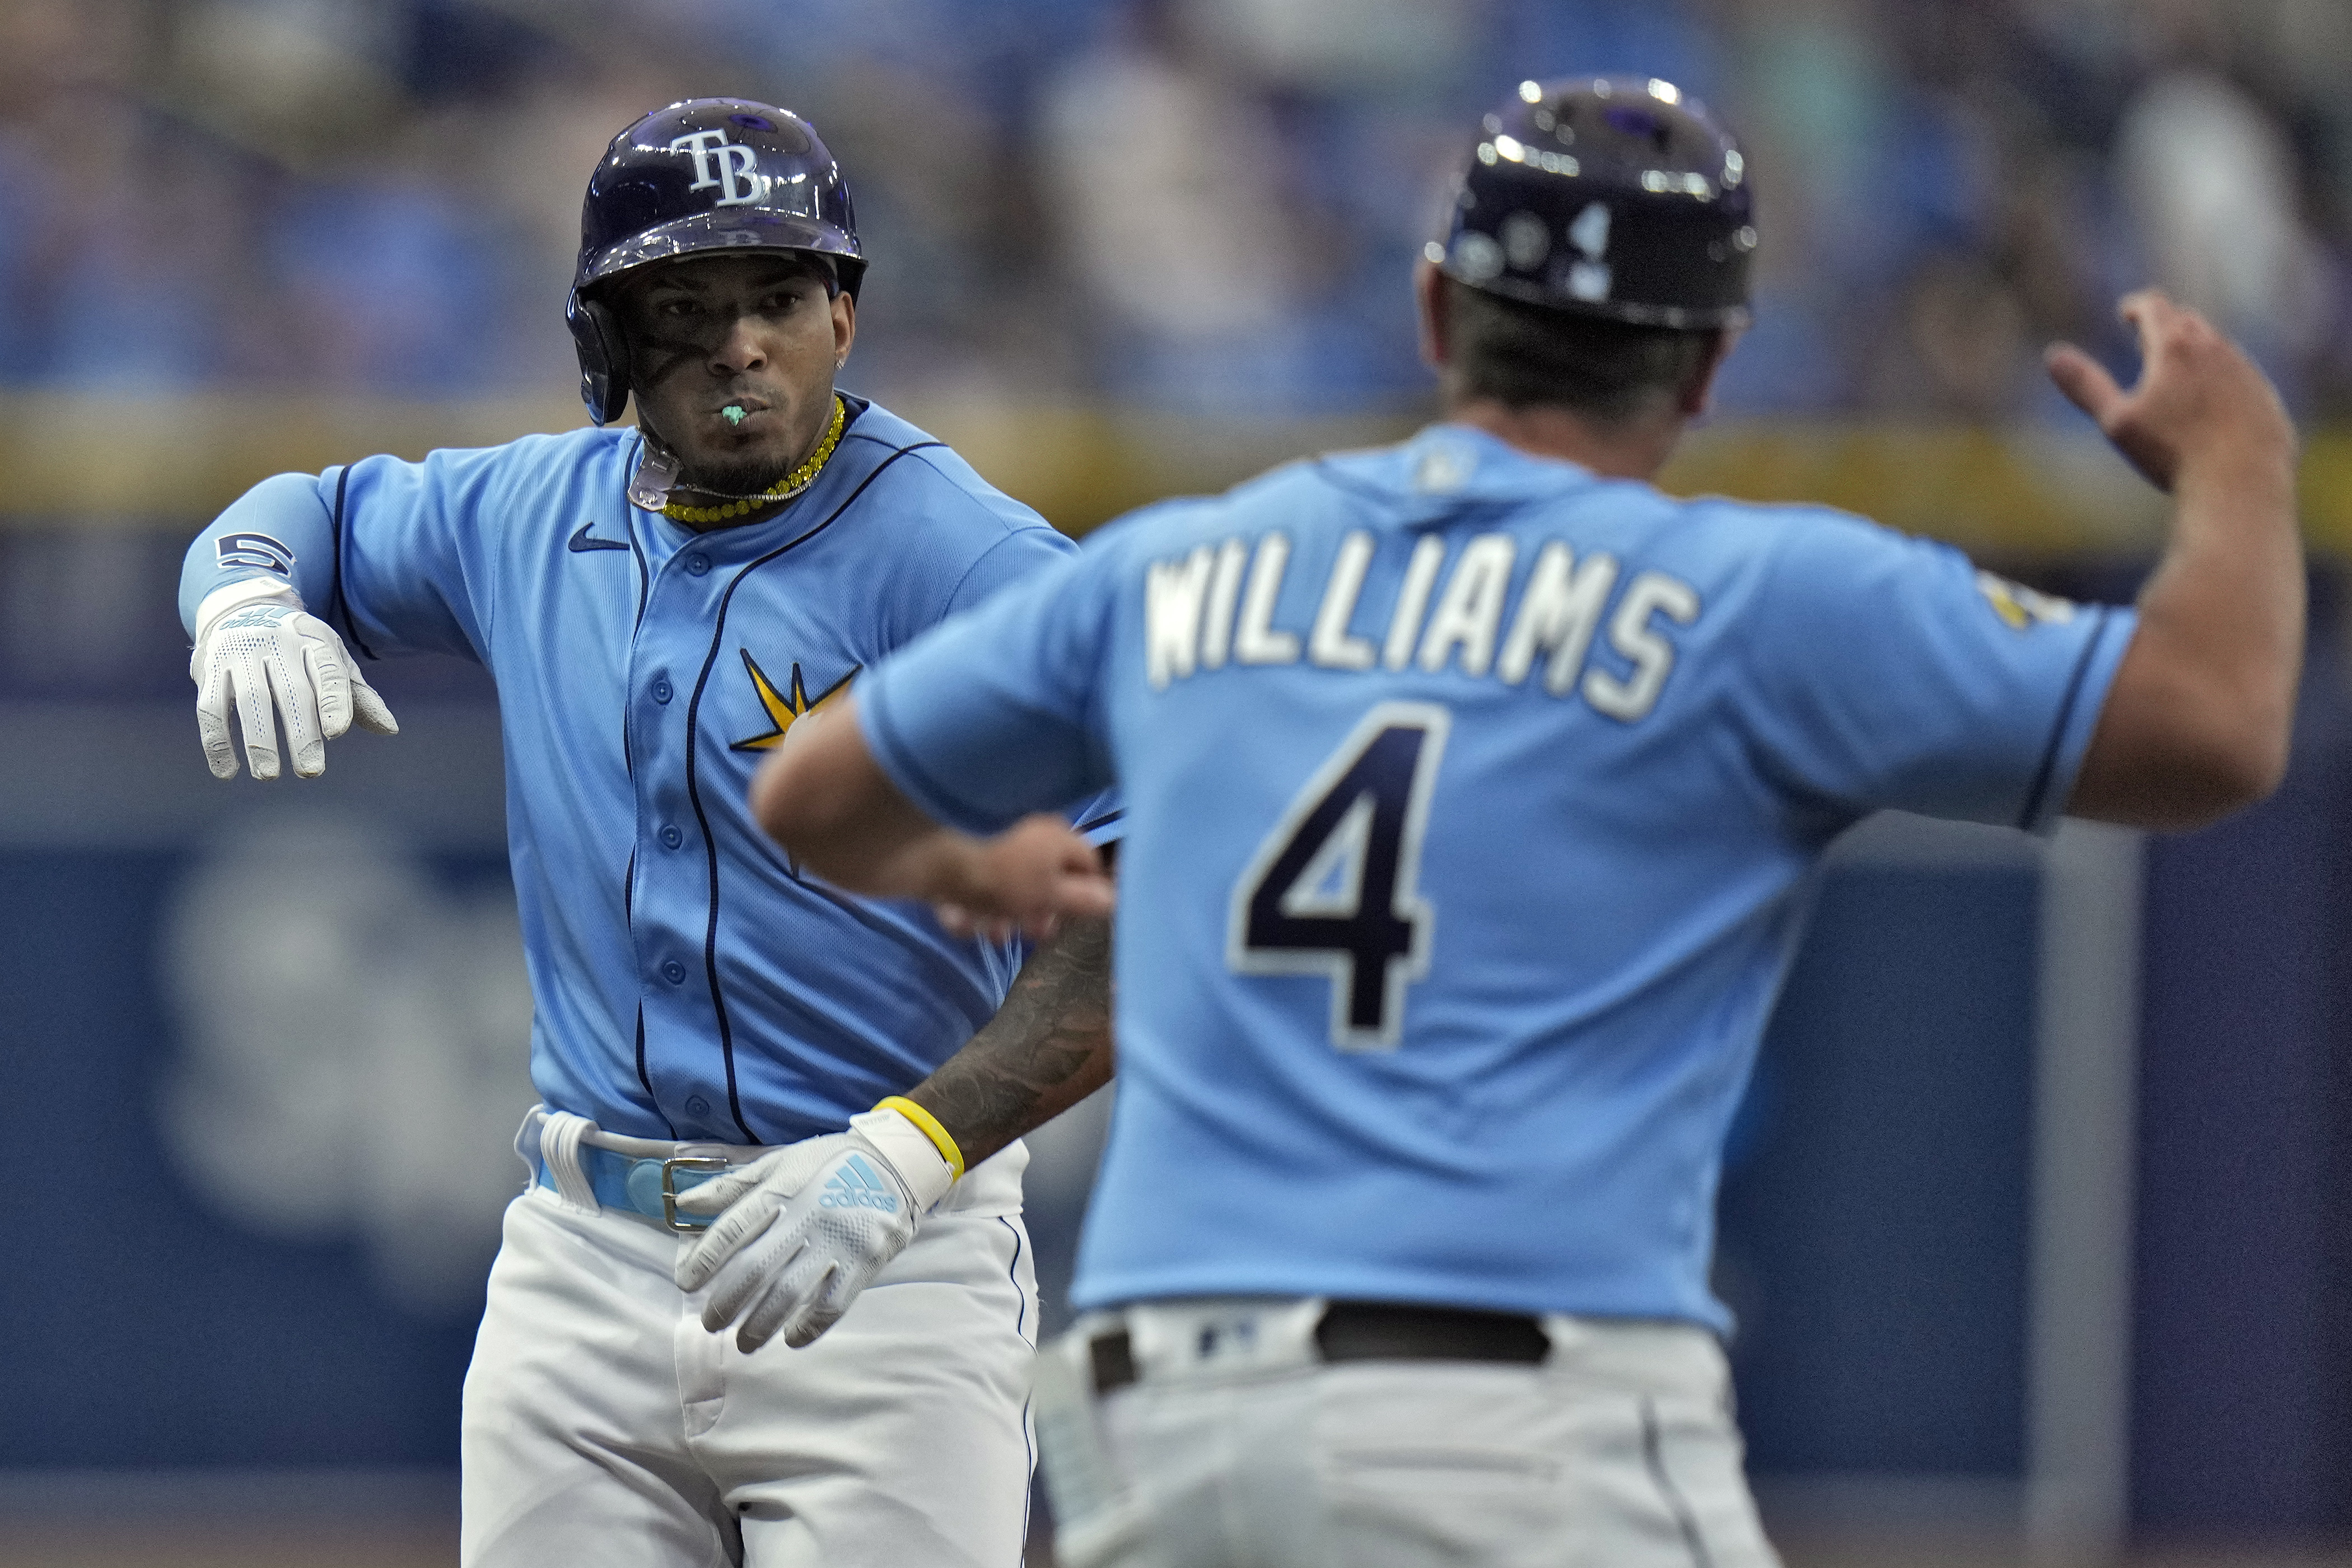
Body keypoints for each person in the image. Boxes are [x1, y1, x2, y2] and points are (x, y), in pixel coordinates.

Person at [743, 77, 2303, 1568]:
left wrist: (972, 863)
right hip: (1511, 1410)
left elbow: (810, 795)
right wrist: (2241, 461)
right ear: (1708, 364)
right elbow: (2216, 726)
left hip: (1160, 1421)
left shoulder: (1180, 566)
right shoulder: (1761, 599)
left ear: (1436, 311)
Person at [176, 99, 1119, 1568]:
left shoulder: (974, 565)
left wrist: (916, 1151)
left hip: (882, 1260)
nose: (742, 345)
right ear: (604, 340)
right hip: (583, 1258)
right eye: (684, 306)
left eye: (781, 299)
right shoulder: (527, 512)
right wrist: (242, 597)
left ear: (847, 320)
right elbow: (294, 514)